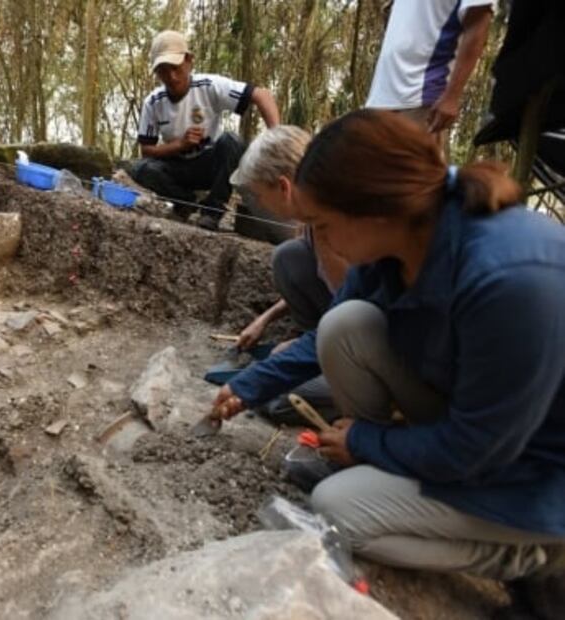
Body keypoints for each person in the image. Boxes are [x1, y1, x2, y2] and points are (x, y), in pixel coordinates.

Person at [212, 109, 565, 618]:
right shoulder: (400, 238)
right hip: (477, 429)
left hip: (532, 474)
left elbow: (478, 450)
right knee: (347, 326)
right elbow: (324, 335)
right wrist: (247, 387)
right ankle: (394, 469)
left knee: (337, 510)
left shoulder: (511, 281)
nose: (323, 241)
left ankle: (533, 556)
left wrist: (363, 442)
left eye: (324, 225)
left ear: (371, 210)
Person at [130, 30, 280, 231]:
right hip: (176, 167)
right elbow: (146, 150)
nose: (172, 77)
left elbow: (262, 95)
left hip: (209, 165)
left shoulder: (209, 86)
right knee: (141, 169)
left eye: (175, 68)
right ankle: (185, 202)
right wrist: (179, 144)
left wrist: (277, 139)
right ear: (156, 73)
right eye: (163, 71)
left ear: (189, 61)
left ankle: (212, 212)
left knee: (231, 141)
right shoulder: (153, 102)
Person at [229, 126, 347, 352]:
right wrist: (263, 320)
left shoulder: (337, 232)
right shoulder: (310, 223)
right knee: (288, 255)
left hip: (380, 348)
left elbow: (358, 313)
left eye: (260, 195)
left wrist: (302, 350)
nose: (260, 203)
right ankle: (313, 339)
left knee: (283, 370)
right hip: (346, 325)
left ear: (284, 187)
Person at [366, 0, 495, 143]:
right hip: (381, 96)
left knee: (412, 164)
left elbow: (478, 24)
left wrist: (452, 97)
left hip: (421, 94)